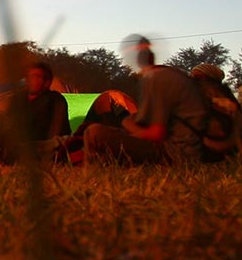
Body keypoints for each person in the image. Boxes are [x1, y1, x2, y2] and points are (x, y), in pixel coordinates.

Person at [83, 34, 211, 164]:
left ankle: (89, 173)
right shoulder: (172, 75)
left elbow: (156, 134)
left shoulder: (157, 79)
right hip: (193, 151)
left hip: (176, 153)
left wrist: (127, 124)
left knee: (93, 132)